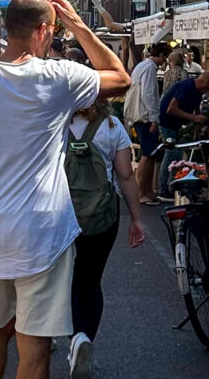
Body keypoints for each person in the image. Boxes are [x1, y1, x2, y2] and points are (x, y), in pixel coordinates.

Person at [0, 0, 130, 379]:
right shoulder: (58, 77)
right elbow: (120, 77)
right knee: (35, 344)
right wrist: (77, 24)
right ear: (43, 30)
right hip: (43, 234)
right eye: (52, 31)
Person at [67, 97, 146, 376]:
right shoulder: (113, 126)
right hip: (102, 214)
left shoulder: (53, 123)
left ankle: (67, 336)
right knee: (90, 277)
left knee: (60, 278)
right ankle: (84, 337)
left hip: (58, 213)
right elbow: (125, 175)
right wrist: (136, 218)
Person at [156, 71, 209, 202]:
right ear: (207, 83)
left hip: (177, 125)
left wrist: (198, 125)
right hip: (167, 123)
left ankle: (174, 186)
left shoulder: (198, 91)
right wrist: (193, 117)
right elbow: (171, 109)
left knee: (178, 155)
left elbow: (196, 107)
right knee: (172, 153)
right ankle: (163, 190)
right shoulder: (187, 87)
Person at [122, 43, 168, 206]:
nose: (165, 62)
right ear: (161, 55)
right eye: (165, 57)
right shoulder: (149, 68)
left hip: (139, 116)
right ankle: (141, 193)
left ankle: (147, 191)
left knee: (149, 154)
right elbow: (148, 94)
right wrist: (154, 118)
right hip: (145, 117)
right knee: (148, 155)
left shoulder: (141, 66)